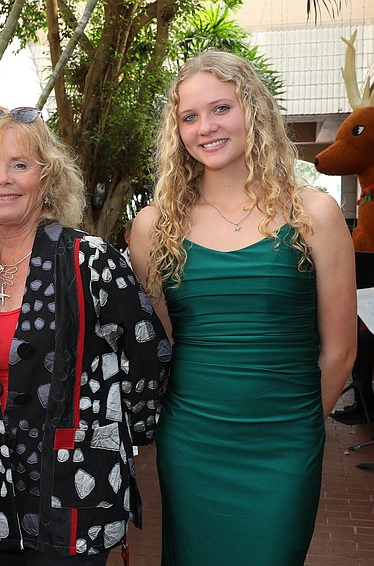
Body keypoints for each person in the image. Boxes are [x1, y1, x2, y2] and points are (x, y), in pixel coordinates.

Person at [130, 51, 357, 565]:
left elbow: (341, 350)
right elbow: (161, 348)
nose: (205, 127)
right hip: (192, 442)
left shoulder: (313, 213)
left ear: (252, 109)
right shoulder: (152, 228)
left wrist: (299, 427)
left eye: (220, 109)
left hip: (285, 445)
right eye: (189, 117)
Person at [0, 107, 170, 565]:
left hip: (76, 490)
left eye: (19, 165)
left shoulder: (91, 260)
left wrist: (123, 434)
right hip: (2, 490)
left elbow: (149, 353)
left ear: (47, 179)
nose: (2, 179)